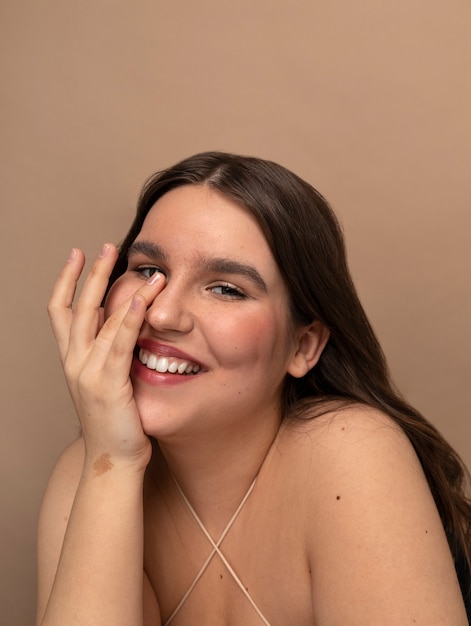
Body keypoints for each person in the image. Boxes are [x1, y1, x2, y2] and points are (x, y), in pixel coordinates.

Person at [37, 151, 470, 625]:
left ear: (303, 346)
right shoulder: (87, 470)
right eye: (147, 270)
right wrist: (113, 463)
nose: (160, 314)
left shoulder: (350, 452)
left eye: (226, 289)